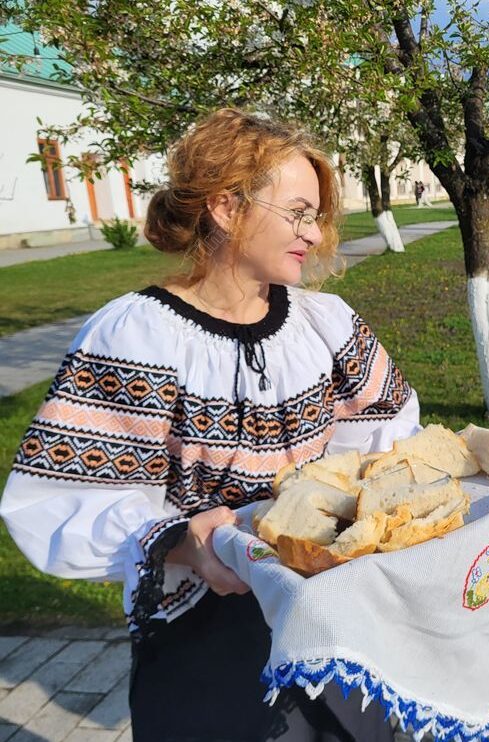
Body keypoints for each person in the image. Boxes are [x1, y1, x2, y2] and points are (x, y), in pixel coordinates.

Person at [0, 108, 421, 741]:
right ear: (227, 207)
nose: (314, 232)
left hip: (324, 611)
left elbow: (387, 427)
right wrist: (183, 542)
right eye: (298, 212)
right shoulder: (138, 337)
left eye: (316, 215)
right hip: (206, 630)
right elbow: (60, 497)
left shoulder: (324, 324)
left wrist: (358, 501)